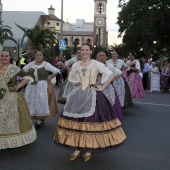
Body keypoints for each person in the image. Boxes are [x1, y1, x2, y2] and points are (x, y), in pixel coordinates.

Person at [53, 43, 126, 162]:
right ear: (80, 52)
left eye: (87, 50)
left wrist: (102, 87)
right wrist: (75, 84)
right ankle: (77, 148)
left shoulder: (96, 64)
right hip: (78, 95)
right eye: (82, 50)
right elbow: (71, 77)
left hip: (93, 95)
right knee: (77, 122)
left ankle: (88, 149)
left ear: (91, 52)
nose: (84, 52)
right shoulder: (76, 65)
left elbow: (111, 74)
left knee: (89, 122)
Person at [0, 50, 36, 149]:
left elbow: (28, 77)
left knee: (11, 117)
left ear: (10, 57)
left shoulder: (14, 68)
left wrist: (18, 86)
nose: (4, 58)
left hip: (12, 96)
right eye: (2, 56)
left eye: (6, 56)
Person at [23, 51, 59, 128]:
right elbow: (24, 70)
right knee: (31, 101)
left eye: (40, 55)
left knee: (40, 101)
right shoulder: (31, 64)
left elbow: (56, 71)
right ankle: (31, 117)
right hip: (31, 86)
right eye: (37, 55)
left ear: (43, 57)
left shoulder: (46, 64)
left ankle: (39, 120)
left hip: (42, 86)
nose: (38, 56)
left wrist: (49, 78)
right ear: (35, 56)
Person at [98, 50, 123, 121]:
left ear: (106, 57)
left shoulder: (109, 66)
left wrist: (111, 79)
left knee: (108, 103)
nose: (101, 57)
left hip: (107, 87)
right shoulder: (95, 65)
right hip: (97, 86)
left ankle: (107, 118)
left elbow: (119, 73)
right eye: (100, 56)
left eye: (103, 55)